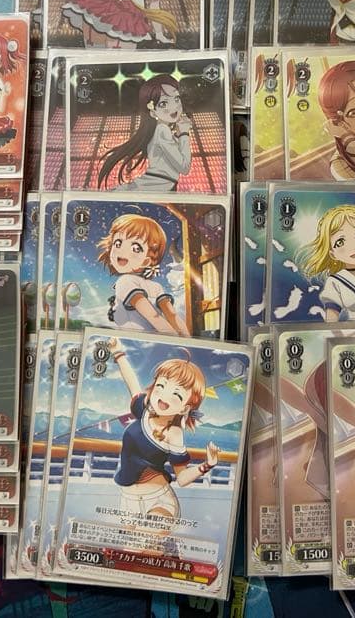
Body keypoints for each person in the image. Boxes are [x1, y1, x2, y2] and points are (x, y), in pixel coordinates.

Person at [108, 339, 219, 519]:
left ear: (184, 408)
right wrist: (118, 353)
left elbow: (181, 479)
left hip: (159, 499)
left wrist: (208, 464)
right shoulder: (143, 410)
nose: (164, 395)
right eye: (161, 386)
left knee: (149, 537)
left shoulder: (174, 434)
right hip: (128, 499)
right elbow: (132, 382)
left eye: (176, 394)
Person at [97, 213, 188, 336]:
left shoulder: (125, 281)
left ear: (146, 261)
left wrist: (173, 340)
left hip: (136, 341)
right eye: (118, 243)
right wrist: (186, 339)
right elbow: (172, 316)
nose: (122, 250)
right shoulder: (156, 286)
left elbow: (154, 316)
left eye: (136, 248)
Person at [97, 75, 192, 191]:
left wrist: (179, 134)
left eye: (176, 99)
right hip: (156, 185)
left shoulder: (161, 130)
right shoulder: (162, 130)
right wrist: (184, 134)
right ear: (152, 112)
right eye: (163, 103)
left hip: (159, 185)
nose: (174, 107)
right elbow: (184, 167)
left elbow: (171, 158)